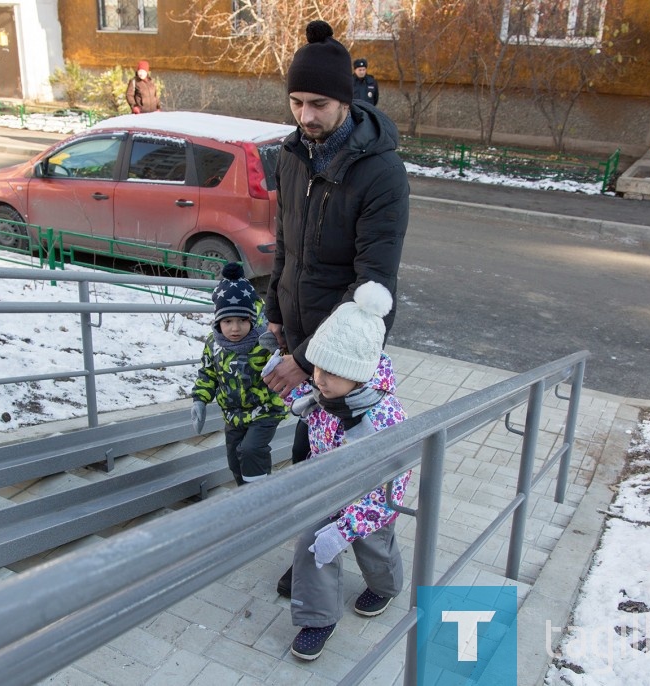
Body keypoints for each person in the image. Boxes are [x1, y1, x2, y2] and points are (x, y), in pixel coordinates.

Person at [262, 19, 410, 598]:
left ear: (345, 101)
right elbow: (287, 239)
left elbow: (375, 282)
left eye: (318, 103)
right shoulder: (292, 154)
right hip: (297, 331)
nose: (305, 116)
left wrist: (307, 359)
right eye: (296, 102)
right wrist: (276, 305)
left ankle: (370, 567)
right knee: (310, 460)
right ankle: (313, 555)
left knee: (355, 475)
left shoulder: (381, 172)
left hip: (343, 347)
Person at [282, 281, 411, 661]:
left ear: (360, 374)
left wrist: (348, 528)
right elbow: (316, 401)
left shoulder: (383, 419)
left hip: (370, 498)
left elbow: (391, 488)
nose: (319, 379)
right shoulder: (330, 392)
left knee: (374, 545)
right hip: (327, 483)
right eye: (318, 367)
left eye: (331, 373)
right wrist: (294, 394)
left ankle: (386, 586)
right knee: (312, 544)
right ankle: (318, 618)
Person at [190, 263, 286, 486]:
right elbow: (207, 374)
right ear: (218, 322)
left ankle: (261, 496)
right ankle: (245, 495)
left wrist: (277, 351)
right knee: (235, 460)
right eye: (227, 321)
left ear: (252, 320)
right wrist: (200, 400)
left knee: (251, 450)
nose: (235, 328)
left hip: (265, 410)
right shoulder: (213, 344)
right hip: (233, 415)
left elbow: (282, 365)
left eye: (242, 321)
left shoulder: (263, 342)